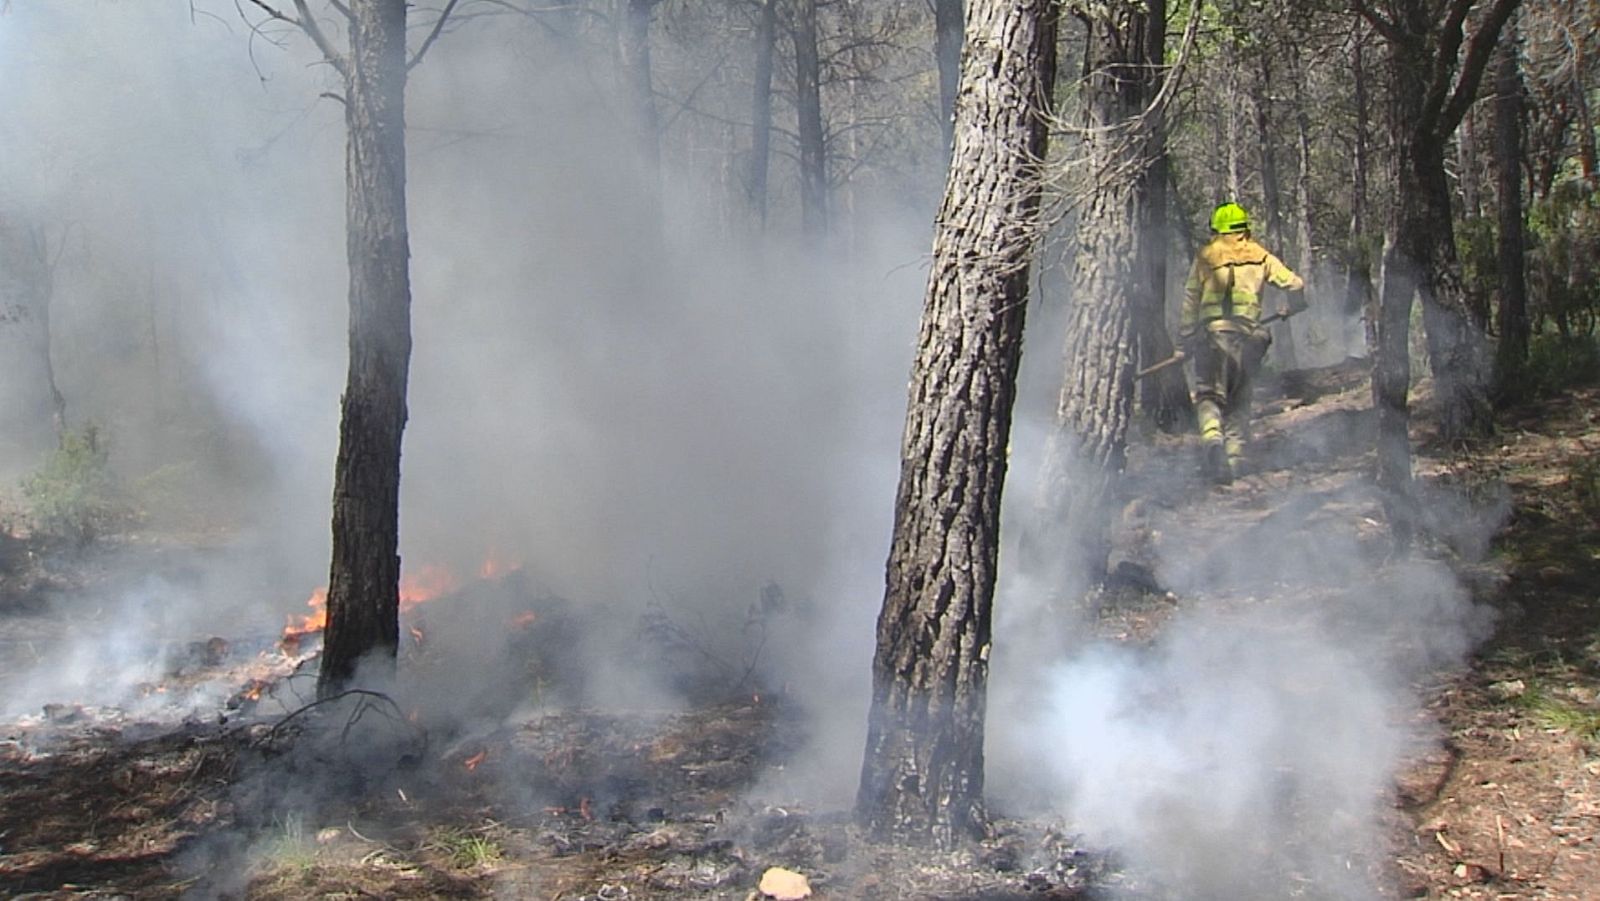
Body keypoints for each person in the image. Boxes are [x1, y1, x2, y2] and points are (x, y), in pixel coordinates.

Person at [1178, 202, 1306, 483]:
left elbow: (1190, 301)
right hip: (1249, 337)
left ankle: (1213, 440)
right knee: (1240, 399)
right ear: (1244, 229)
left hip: (1212, 336)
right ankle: (1235, 462)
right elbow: (1295, 284)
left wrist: (1185, 338)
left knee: (1209, 396)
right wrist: (1294, 306)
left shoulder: (1205, 257)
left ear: (1216, 230)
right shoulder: (1260, 256)